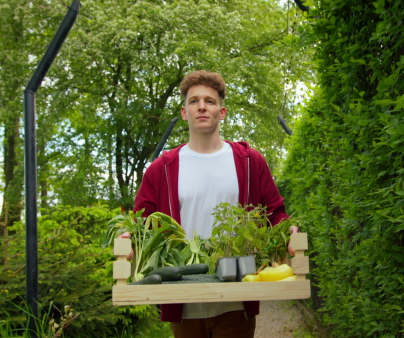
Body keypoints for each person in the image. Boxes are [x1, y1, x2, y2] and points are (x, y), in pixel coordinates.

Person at [121, 70, 298, 337]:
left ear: (222, 112)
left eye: (209, 101)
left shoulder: (249, 162)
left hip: (237, 299)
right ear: (184, 113)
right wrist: (129, 236)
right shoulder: (162, 169)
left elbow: (275, 212)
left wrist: (288, 230)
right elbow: (141, 220)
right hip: (184, 300)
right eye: (194, 101)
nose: (201, 106)